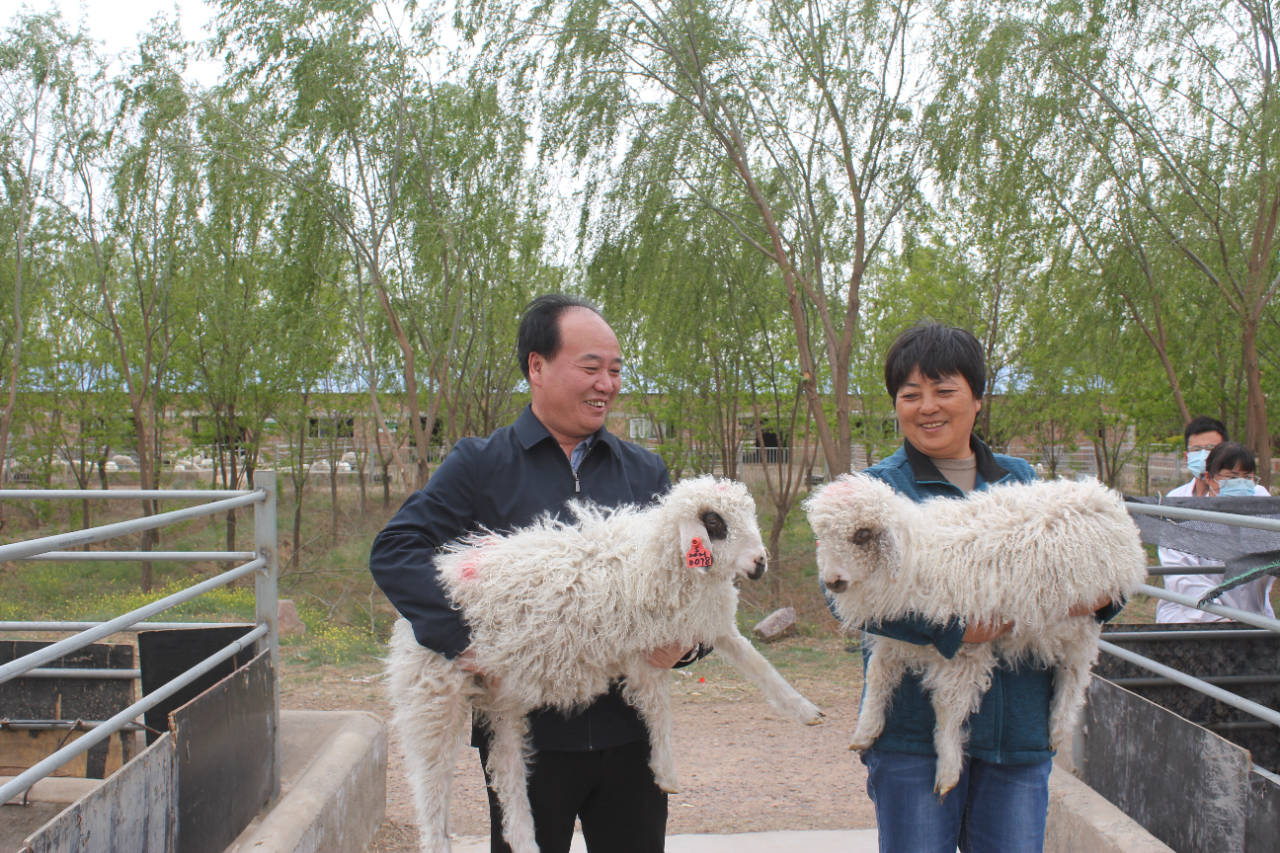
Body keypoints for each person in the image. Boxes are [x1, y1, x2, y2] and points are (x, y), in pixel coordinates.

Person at [369, 294, 694, 853]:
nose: (607, 384)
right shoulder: (480, 464)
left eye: (615, 371)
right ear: (537, 368)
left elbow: (696, 565)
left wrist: (688, 642)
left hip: (630, 733)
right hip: (525, 737)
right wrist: (464, 642)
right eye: (591, 368)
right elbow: (396, 549)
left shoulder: (645, 471)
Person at [855, 321, 1118, 853]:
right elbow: (846, 589)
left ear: (976, 399)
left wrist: (1104, 597)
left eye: (944, 390)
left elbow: (1100, 559)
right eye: (911, 395)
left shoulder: (1023, 481)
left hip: (1016, 733)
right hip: (914, 734)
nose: (927, 406)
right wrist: (953, 629)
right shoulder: (880, 490)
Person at [1156, 441, 1275, 623]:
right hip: (1195, 621)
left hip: (1253, 620)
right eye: (1231, 477)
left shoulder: (1261, 512)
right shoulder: (1183, 519)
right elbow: (1183, 581)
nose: (1240, 484)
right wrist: (1224, 619)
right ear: (1209, 478)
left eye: (1248, 477)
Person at [1171, 415, 1230, 497]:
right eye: (1196, 449)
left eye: (1210, 448)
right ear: (1186, 457)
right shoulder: (1175, 497)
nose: (1204, 456)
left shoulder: (1241, 496)